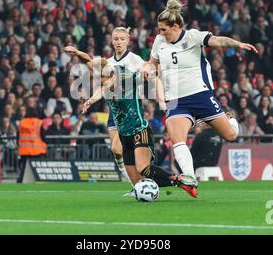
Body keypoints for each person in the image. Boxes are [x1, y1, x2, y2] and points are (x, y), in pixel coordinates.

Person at [144, 0, 257, 193]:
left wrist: (237, 44)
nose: (160, 33)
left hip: (200, 95)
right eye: (159, 29)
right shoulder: (159, 41)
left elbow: (218, 40)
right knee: (176, 138)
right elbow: (152, 62)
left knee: (230, 135)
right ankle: (189, 177)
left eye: (164, 29)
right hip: (176, 100)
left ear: (176, 26)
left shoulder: (193, 36)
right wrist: (149, 69)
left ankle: (228, 119)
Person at [80, 56, 197, 198]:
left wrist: (149, 72)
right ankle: (180, 183)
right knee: (138, 183)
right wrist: (90, 101)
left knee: (144, 168)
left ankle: (180, 178)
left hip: (139, 131)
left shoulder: (127, 81)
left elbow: (146, 76)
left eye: (100, 78)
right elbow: (93, 72)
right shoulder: (105, 87)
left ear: (108, 75)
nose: (99, 82)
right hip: (124, 136)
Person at [16, 107, 48, 183]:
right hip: (36, 150)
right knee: (37, 168)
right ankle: (38, 181)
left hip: (24, 151)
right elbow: (43, 136)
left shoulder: (22, 122)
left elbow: (18, 136)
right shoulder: (38, 122)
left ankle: (20, 181)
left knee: (24, 168)